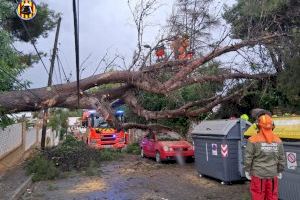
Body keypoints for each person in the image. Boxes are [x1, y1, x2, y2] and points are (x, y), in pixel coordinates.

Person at [244, 113, 285, 200]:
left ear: (258, 126)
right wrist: (280, 170)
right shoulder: (278, 141)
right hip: (273, 175)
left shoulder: (252, 140)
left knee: (258, 196)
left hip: (258, 175)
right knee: (272, 197)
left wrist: (247, 170)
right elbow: (282, 158)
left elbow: (248, 158)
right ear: (272, 126)